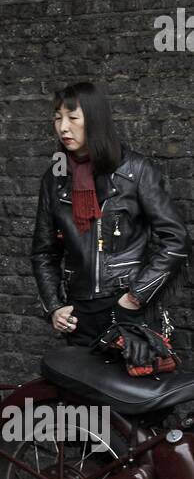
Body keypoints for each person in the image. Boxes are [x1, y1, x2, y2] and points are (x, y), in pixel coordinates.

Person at [31, 81, 189, 351]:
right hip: (78, 313)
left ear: (94, 120)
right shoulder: (56, 179)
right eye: (57, 118)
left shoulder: (135, 171)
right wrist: (55, 307)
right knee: (78, 391)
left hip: (127, 310)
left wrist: (135, 297)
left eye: (72, 118)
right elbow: (44, 252)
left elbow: (175, 241)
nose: (63, 127)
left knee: (132, 391)